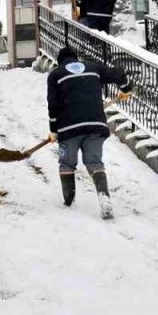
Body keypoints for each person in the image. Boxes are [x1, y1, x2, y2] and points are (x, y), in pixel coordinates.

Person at [46, 45, 132, 219]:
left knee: (67, 163)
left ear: (60, 61)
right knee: (95, 163)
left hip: (68, 128)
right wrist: (126, 88)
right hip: (95, 124)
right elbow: (117, 72)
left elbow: (53, 105)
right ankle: (104, 197)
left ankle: (69, 201)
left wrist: (53, 130)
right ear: (76, 58)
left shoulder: (56, 74)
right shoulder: (93, 68)